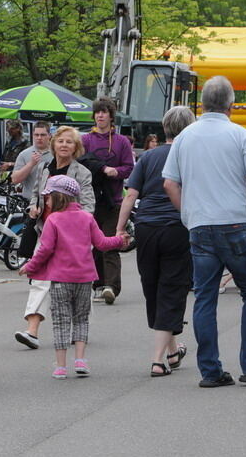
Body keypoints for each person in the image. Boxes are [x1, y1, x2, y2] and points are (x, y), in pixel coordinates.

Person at [163, 76, 246, 387]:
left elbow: (170, 183)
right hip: (236, 221)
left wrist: (187, 213)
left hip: (201, 223)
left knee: (205, 296)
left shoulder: (185, 137)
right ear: (231, 103)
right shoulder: (241, 136)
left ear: (201, 103)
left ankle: (210, 370)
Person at [18, 175, 126, 378]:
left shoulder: (54, 220)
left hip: (60, 279)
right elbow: (102, 243)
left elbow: (45, 249)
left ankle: (60, 366)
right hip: (85, 278)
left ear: (58, 197)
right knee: (81, 319)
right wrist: (119, 240)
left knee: (61, 321)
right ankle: (80, 360)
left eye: (48, 197)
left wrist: (30, 267)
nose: (46, 201)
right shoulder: (87, 218)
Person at [116, 106, 194, 377]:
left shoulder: (148, 157)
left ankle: (172, 352)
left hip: (146, 226)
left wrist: (119, 229)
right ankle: (158, 360)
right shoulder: (189, 155)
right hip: (177, 226)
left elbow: (130, 195)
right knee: (172, 288)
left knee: (153, 286)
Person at [13, 125, 95, 350]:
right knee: (40, 278)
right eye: (61, 141)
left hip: (73, 236)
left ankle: (78, 325)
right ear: (54, 144)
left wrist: (77, 224)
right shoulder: (44, 168)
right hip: (47, 231)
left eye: (69, 142)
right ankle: (32, 330)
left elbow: (89, 206)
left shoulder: (82, 173)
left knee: (75, 283)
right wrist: (33, 208)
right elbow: (36, 196)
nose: (64, 145)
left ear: (76, 147)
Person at [82, 98, 134, 304]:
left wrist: (115, 172)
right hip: (91, 200)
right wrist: (102, 169)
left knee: (111, 242)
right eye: (97, 112)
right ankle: (98, 284)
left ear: (111, 116)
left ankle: (112, 286)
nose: (100, 115)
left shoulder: (121, 142)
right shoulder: (86, 140)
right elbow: (81, 161)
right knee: (94, 244)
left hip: (114, 201)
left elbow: (129, 167)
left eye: (104, 112)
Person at [10, 121, 52, 196]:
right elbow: (15, 180)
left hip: (51, 202)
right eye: (36, 135)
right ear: (33, 136)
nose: (39, 138)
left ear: (49, 136)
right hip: (29, 201)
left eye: (43, 135)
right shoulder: (24, 154)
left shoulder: (56, 154)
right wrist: (31, 164)